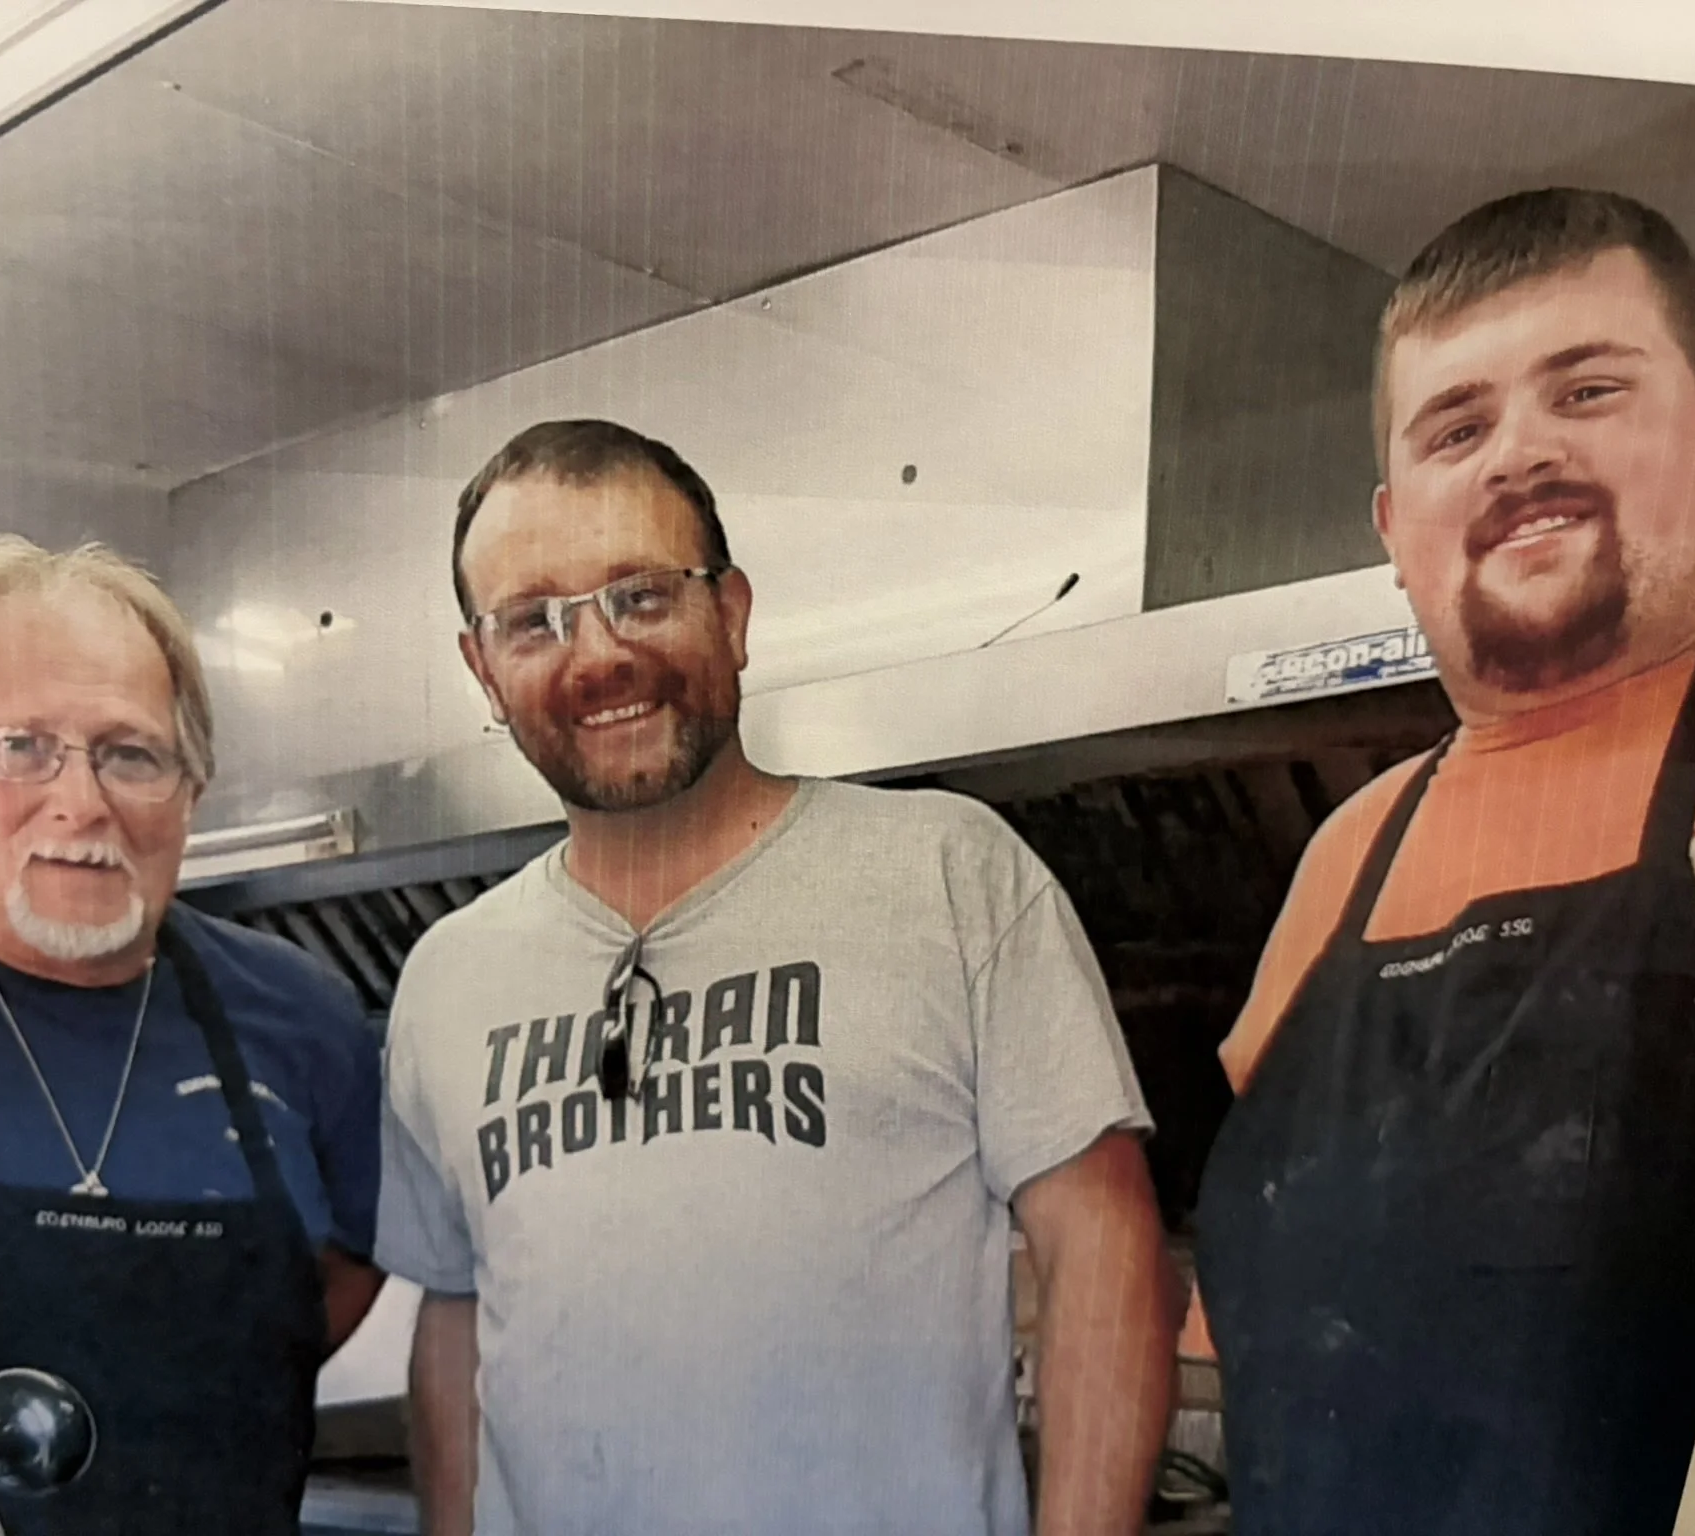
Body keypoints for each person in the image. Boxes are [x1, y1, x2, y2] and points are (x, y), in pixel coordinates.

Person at [376, 419, 1177, 1536]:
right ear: (482, 666)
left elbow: (1102, 1249)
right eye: (532, 621)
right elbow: (454, 1318)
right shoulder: (444, 979)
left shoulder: (947, 873)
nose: (596, 652)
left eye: (642, 595)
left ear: (733, 613)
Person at [1192, 188, 1695, 1536]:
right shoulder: (1347, 854)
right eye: (1460, 427)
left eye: (1586, 392)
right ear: (1396, 526)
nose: (1520, 453)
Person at [0, 535, 386, 1534]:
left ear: (191, 790)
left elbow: (343, 1279)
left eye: (131, 754)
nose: (80, 803)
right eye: (17, 747)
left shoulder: (301, 1014)